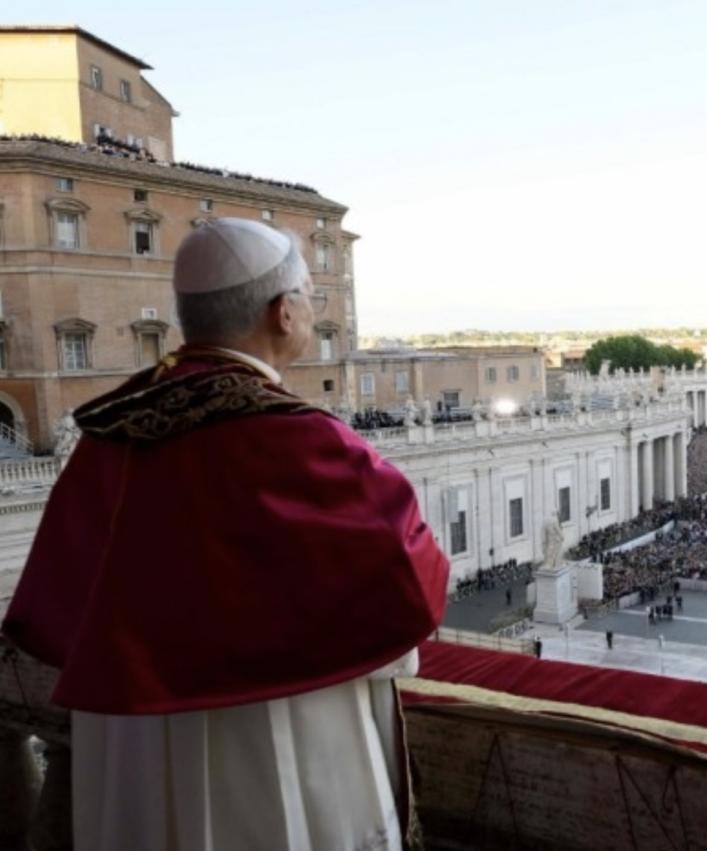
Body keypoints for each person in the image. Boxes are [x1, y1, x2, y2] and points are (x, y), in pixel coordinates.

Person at [1, 218, 450, 851]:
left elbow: (56, 604)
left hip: (134, 737)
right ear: (283, 313)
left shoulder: (110, 434)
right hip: (281, 721)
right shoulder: (300, 436)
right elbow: (413, 575)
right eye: (308, 297)